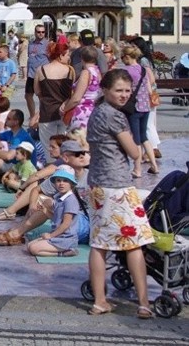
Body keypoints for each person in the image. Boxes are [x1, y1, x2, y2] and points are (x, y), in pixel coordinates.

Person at [86, 68, 155, 318]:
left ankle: (99, 300)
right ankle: (144, 303)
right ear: (105, 90)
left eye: (127, 90)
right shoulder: (114, 115)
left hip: (97, 184)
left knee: (99, 243)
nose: (124, 95)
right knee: (134, 244)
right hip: (116, 185)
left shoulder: (97, 112)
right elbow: (135, 153)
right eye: (119, 90)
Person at [25, 168, 82, 258]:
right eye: (58, 180)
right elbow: (56, 219)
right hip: (58, 235)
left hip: (66, 238)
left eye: (65, 181)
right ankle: (60, 249)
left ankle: (66, 252)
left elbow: (66, 224)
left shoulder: (70, 200)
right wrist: (45, 211)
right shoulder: (59, 197)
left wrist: (50, 235)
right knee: (29, 246)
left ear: (71, 184)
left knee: (33, 249)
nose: (61, 183)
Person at [121, 45, 159, 175]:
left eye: (122, 57)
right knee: (144, 136)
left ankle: (137, 169)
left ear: (127, 57)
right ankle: (154, 165)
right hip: (145, 107)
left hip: (134, 108)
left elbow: (125, 88)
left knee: (136, 138)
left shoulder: (127, 71)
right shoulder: (142, 69)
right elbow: (149, 89)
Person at [33, 41, 73, 149]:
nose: (69, 57)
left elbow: (37, 91)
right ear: (61, 55)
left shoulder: (40, 70)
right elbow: (72, 93)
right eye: (67, 54)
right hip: (65, 112)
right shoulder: (70, 70)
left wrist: (44, 99)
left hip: (47, 112)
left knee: (49, 148)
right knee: (65, 147)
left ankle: (51, 165)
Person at [61, 45, 101, 131]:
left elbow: (77, 98)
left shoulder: (86, 73)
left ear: (82, 58)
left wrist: (65, 109)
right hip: (94, 110)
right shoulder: (97, 72)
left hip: (83, 112)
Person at [25, 24, 49, 124]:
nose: (41, 34)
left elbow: (51, 59)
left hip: (42, 75)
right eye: (38, 32)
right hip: (31, 74)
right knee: (28, 95)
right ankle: (32, 116)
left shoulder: (47, 45)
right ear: (35, 33)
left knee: (41, 97)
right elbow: (29, 58)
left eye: (43, 32)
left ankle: (42, 116)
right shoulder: (31, 44)